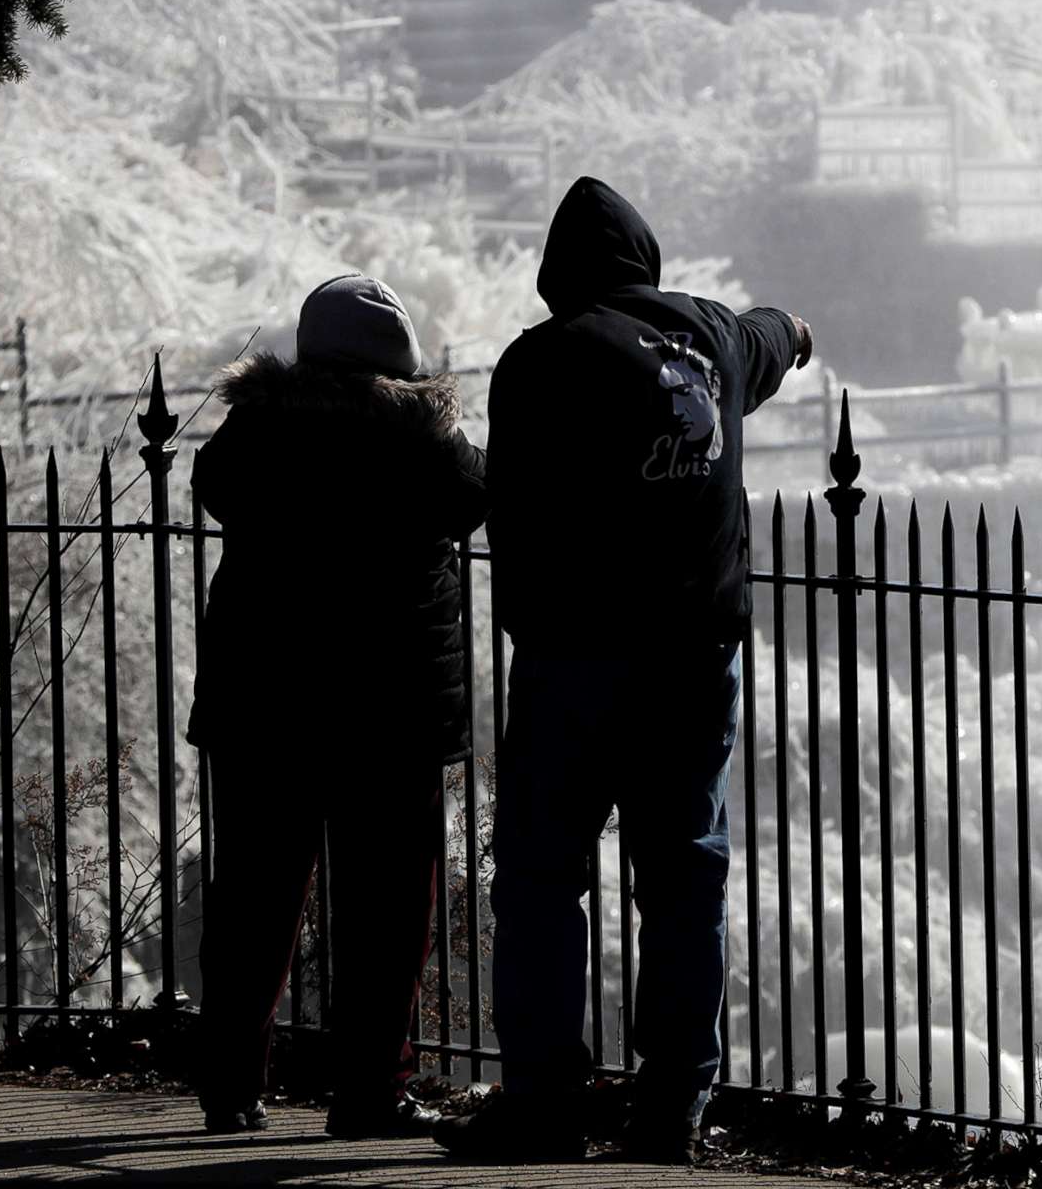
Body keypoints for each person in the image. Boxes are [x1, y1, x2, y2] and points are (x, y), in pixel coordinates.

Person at [438, 177, 812, 1166]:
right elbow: (777, 331)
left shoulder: (543, 357)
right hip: (695, 659)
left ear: (558, 279)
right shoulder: (714, 338)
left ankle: (545, 1103)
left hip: (574, 661)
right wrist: (799, 330)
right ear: (647, 263)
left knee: (540, 882)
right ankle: (672, 1111)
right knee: (685, 880)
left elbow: (507, 499)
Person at [187, 273, 487, 1140]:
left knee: (253, 896)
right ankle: (368, 1093)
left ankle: (231, 1085)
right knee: (388, 910)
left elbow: (214, 481)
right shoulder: (425, 441)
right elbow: (479, 493)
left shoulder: (262, 430)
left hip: (265, 700)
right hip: (390, 708)